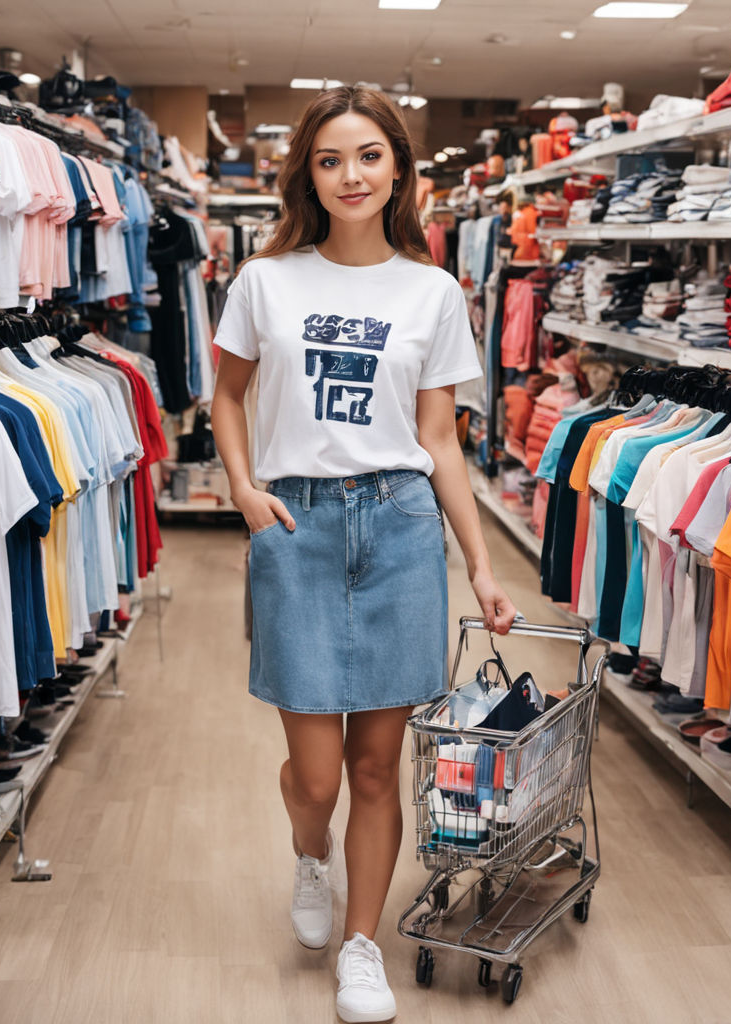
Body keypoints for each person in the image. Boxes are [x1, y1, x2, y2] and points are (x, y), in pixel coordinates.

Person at [209, 85, 517, 1023]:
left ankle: (360, 945)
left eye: (370, 156)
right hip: (295, 532)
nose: (351, 175)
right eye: (332, 158)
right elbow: (228, 399)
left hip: (397, 526)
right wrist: (243, 490)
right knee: (314, 773)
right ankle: (311, 856)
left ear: (398, 171)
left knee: (377, 768)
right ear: (309, 170)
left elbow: (441, 439)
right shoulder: (265, 281)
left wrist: (481, 562)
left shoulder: (432, 293)